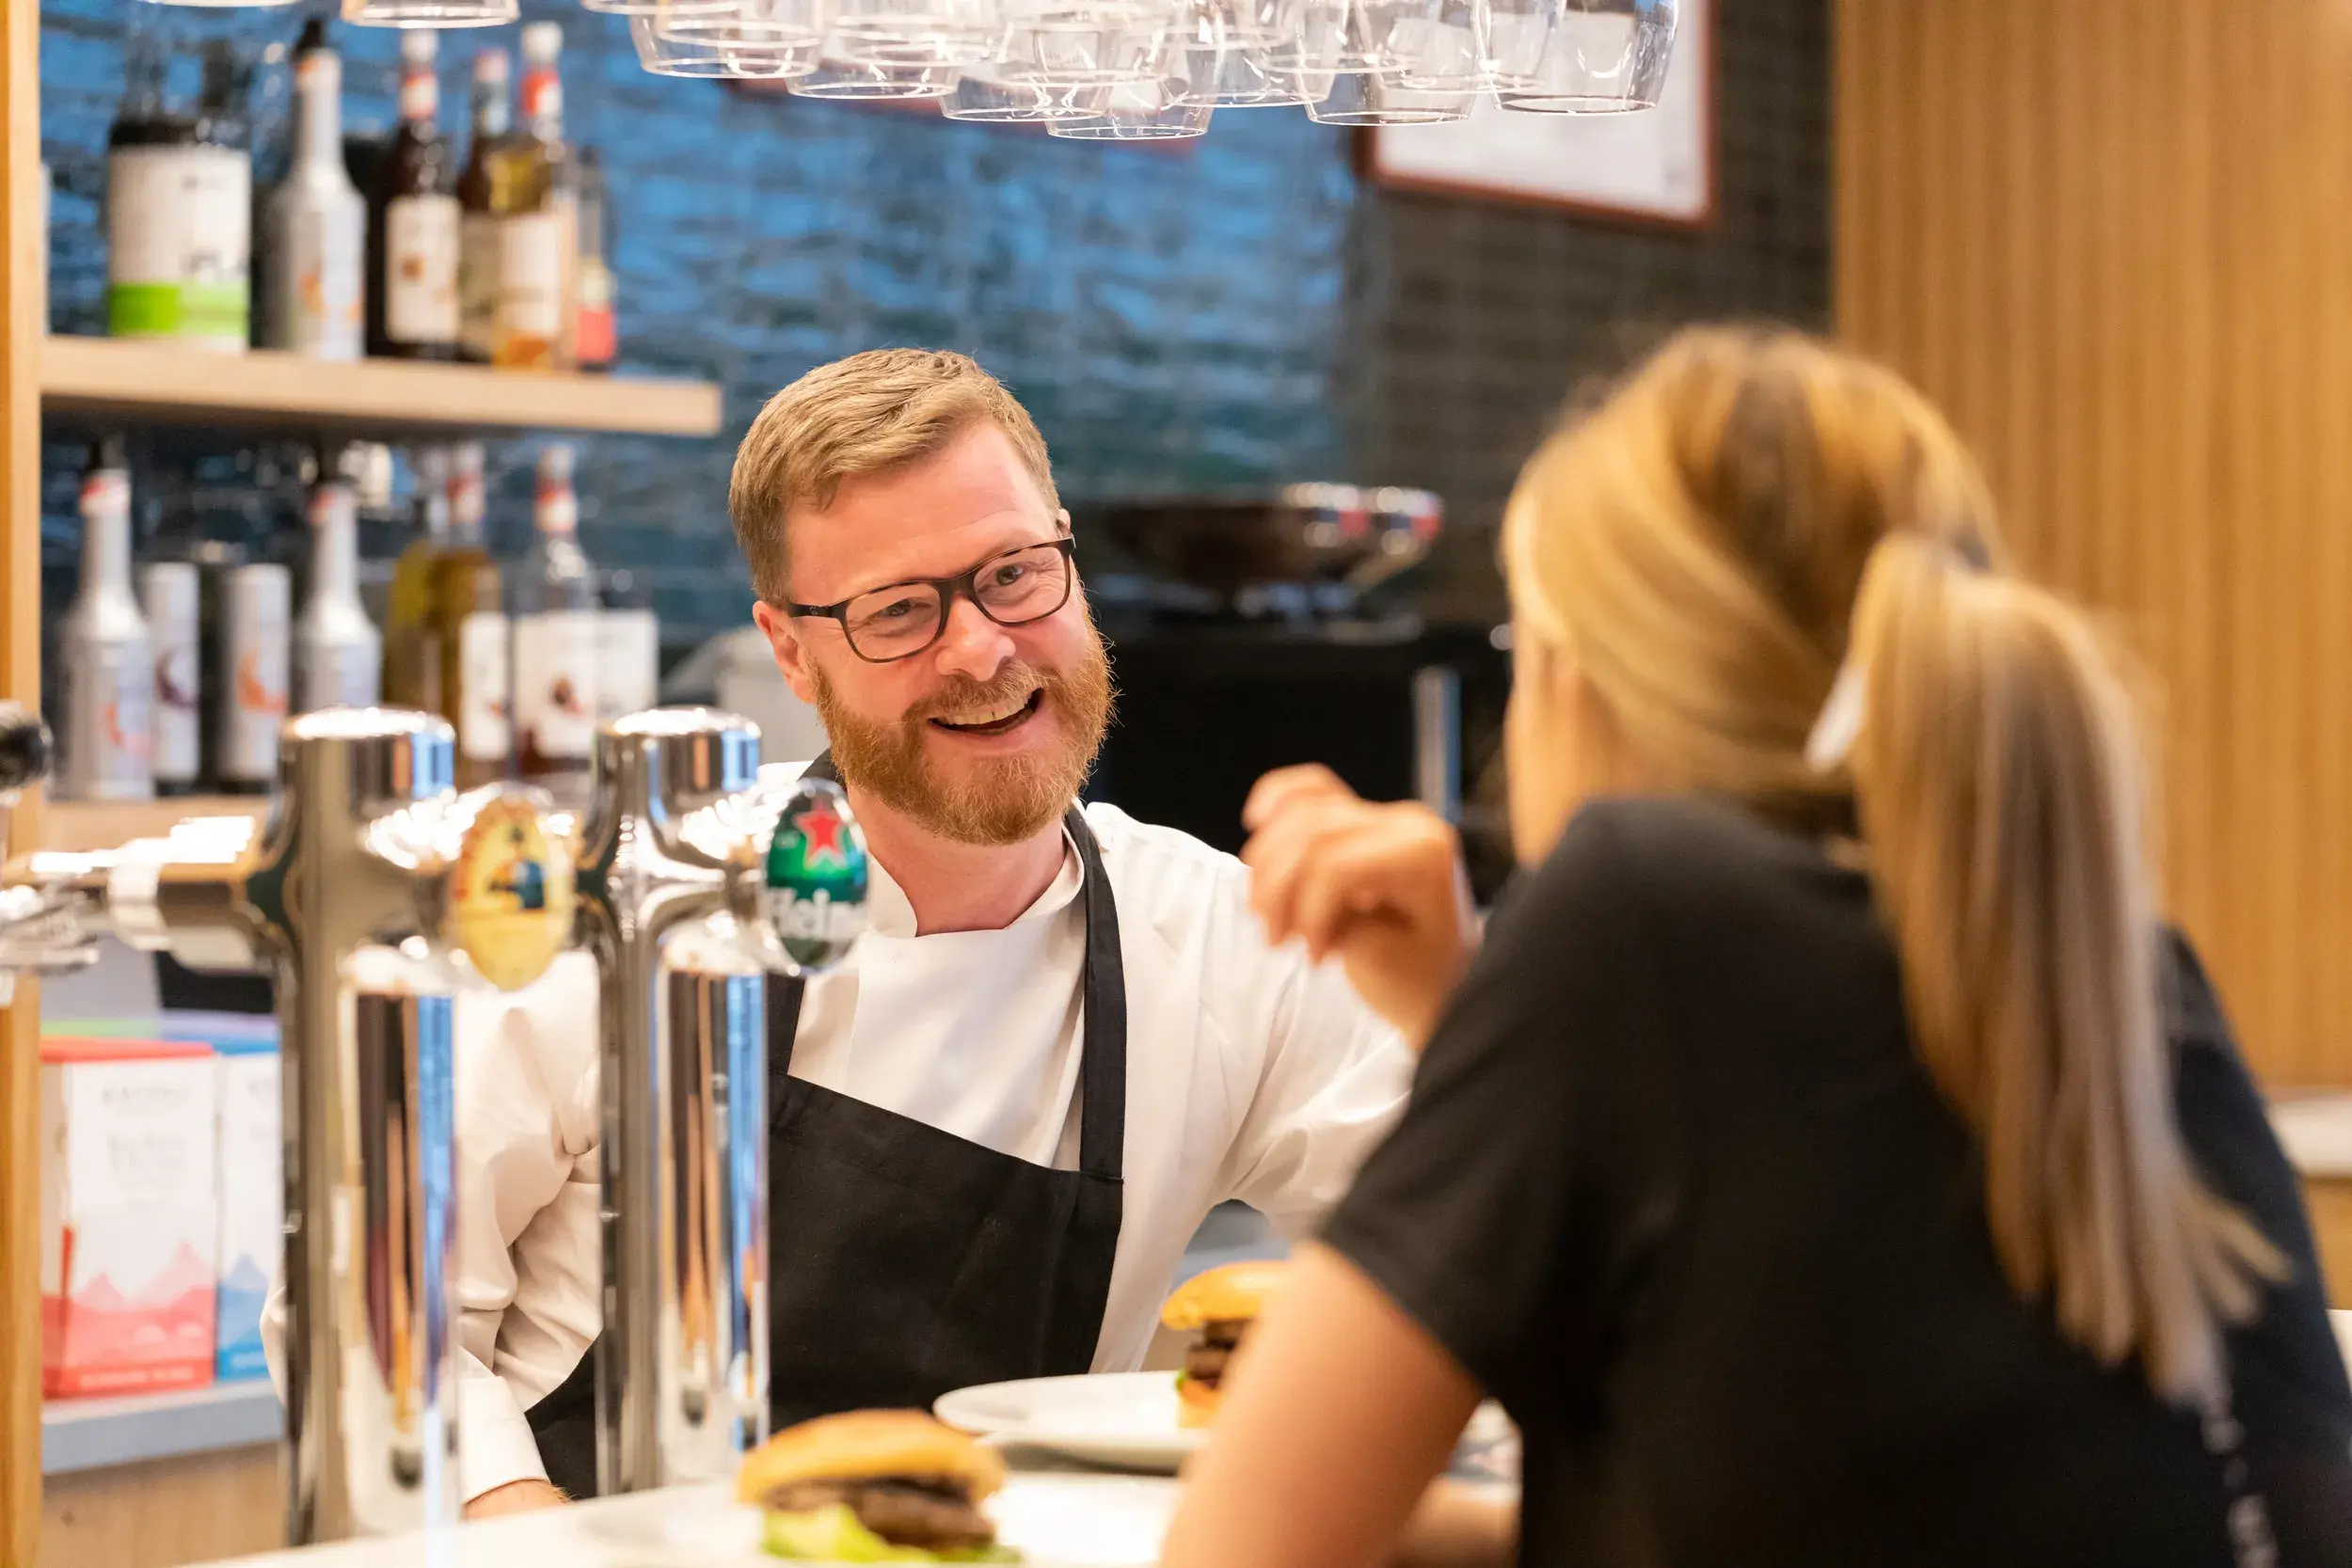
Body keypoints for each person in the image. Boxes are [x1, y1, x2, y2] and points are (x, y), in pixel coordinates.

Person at [1162, 326, 2352, 1568]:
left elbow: (1238, 1548)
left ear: (1583, 678)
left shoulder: (1640, 910)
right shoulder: (2114, 970)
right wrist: (1464, 1019)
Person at [448, 350, 1414, 1513]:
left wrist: (1443, 985)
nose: (981, 648)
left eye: (1013, 573)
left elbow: (1454, 1263)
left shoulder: (1221, 940)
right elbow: (382, 1323)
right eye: (898, 610)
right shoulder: (634, 904)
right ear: (792, 651)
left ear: (1067, 558)